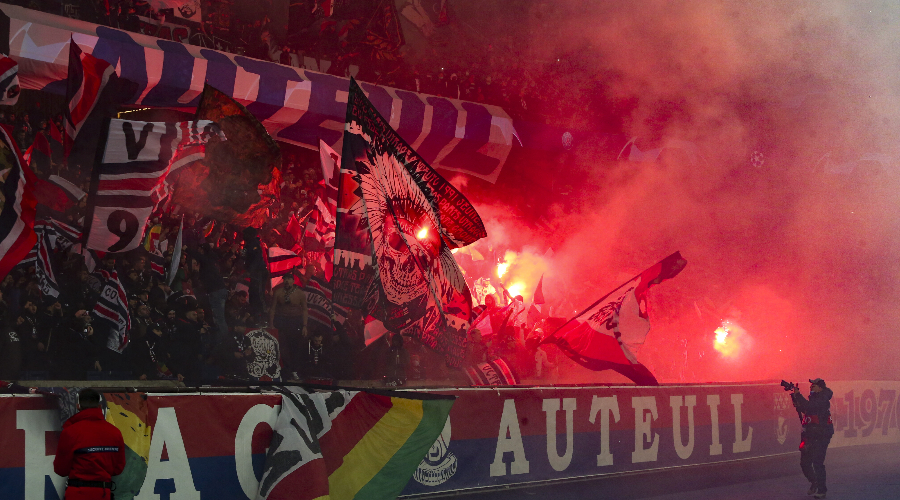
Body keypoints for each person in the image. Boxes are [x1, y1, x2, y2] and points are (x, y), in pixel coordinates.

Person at [53, 388, 126, 500]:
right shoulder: (115, 433)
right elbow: (118, 468)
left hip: (77, 494)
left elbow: (61, 470)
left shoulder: (70, 432)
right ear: (100, 407)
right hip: (103, 493)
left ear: (78, 407)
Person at [792, 378, 834, 499]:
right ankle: (814, 482)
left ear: (820, 388)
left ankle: (822, 490)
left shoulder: (823, 399)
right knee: (804, 463)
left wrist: (798, 395)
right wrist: (796, 398)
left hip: (821, 435)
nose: (811, 388)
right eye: (811, 386)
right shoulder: (815, 398)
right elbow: (804, 408)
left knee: (817, 463)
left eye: (814, 386)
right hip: (810, 434)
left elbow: (810, 407)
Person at [270, 272, 307, 380]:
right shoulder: (278, 292)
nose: (286, 281)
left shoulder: (299, 293)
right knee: (282, 346)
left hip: (295, 321)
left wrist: (304, 325)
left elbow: (305, 309)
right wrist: (271, 324)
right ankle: (285, 369)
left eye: (289, 279)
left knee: (294, 346)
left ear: (293, 281)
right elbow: (273, 309)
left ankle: (294, 370)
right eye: (285, 279)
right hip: (282, 320)